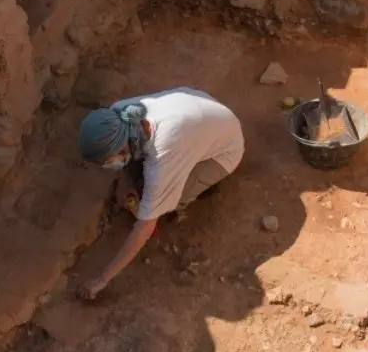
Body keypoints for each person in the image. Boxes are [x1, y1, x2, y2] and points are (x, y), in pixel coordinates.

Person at [76, 87, 245, 299]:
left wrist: (102, 279)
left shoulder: (164, 152)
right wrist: (125, 185)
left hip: (224, 149)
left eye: (107, 161)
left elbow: (145, 225)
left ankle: (197, 190)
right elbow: (127, 163)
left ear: (121, 149)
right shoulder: (117, 113)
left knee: (165, 199)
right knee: (140, 179)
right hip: (200, 110)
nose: (108, 166)